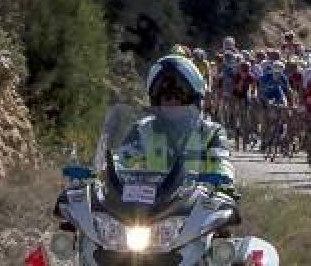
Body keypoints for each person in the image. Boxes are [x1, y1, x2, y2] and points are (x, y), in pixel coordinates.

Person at [91, 54, 235, 190]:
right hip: (152, 206)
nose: (172, 103)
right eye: (166, 97)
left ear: (193, 98)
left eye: (179, 96)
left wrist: (223, 179)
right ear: (156, 101)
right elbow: (120, 157)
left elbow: (222, 162)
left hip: (197, 206)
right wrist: (106, 171)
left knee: (226, 215)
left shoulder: (211, 132)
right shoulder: (144, 129)